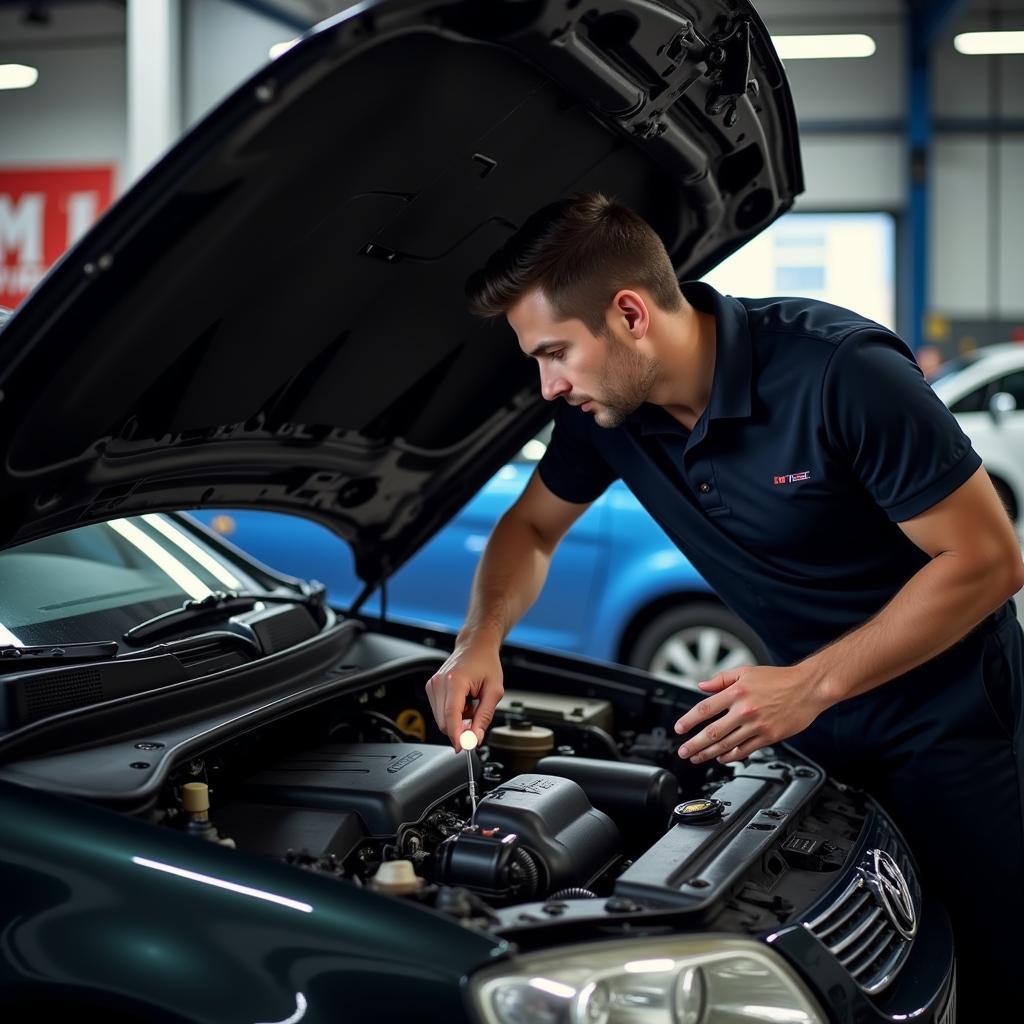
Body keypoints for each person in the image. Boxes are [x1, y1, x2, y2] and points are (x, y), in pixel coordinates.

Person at [424, 193, 1024, 1017]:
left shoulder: (841, 373)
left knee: (987, 959)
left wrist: (807, 685)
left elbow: (988, 561)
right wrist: (478, 640)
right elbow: (528, 529)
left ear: (630, 314)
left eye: (555, 353)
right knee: (843, 970)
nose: (548, 385)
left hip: (950, 715)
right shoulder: (609, 415)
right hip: (809, 718)